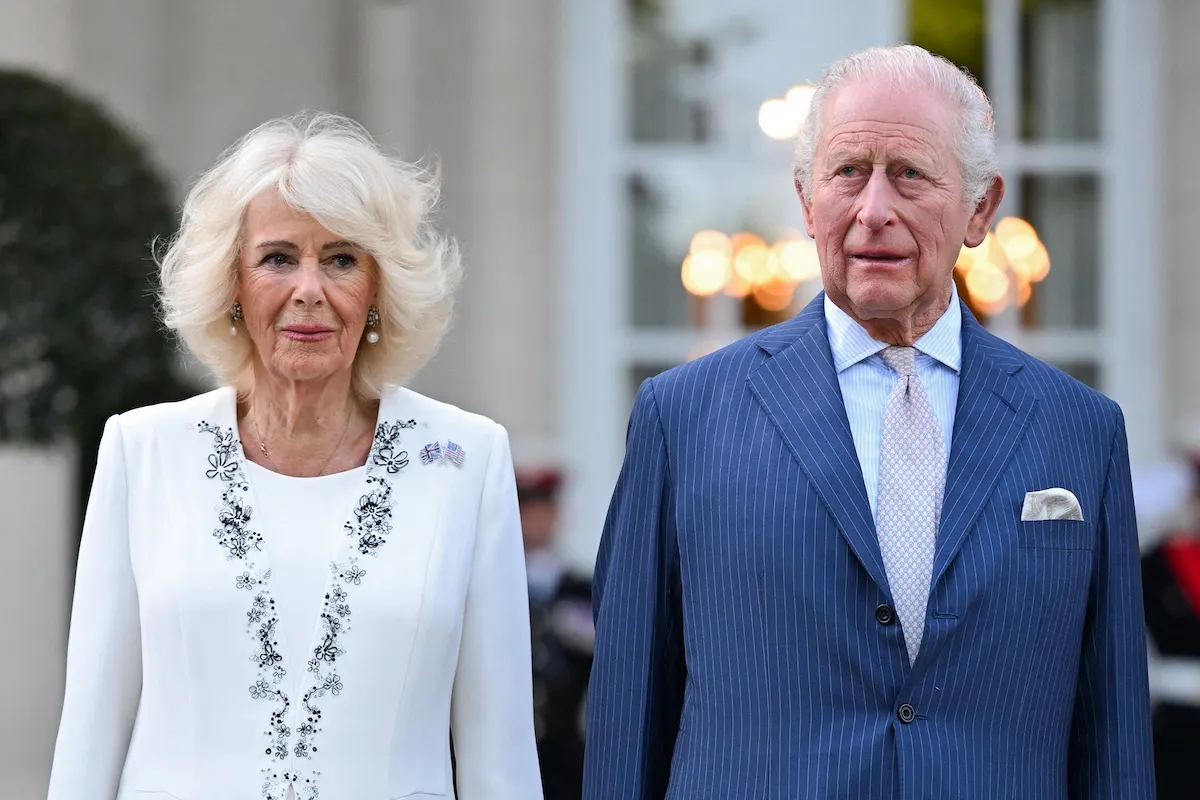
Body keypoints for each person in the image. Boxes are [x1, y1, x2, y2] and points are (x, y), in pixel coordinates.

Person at [584, 45, 1154, 799]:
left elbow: (1113, 747)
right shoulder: (682, 418)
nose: (873, 209)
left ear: (981, 209)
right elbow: (627, 731)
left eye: (911, 174)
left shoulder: (1082, 432)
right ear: (806, 199)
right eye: (849, 171)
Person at [47, 112, 543, 800]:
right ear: (234, 287)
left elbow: (502, 762)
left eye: (341, 259)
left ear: (377, 291)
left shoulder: (465, 459)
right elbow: (88, 742)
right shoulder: (143, 452)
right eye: (279, 257)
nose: (309, 288)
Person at [519, 468, 593, 800]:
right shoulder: (489, 587)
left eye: (543, 509)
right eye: (526, 509)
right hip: (508, 748)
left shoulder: (582, 589)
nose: (535, 520)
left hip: (563, 754)